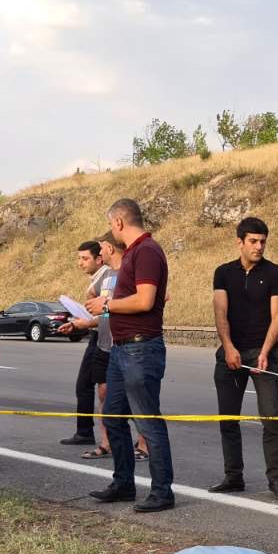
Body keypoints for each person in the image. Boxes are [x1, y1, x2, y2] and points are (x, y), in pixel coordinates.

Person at [86, 199, 174, 512]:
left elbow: (145, 300)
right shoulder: (135, 253)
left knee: (147, 421)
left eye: (111, 224)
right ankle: (123, 483)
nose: (111, 231)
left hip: (140, 349)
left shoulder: (146, 251)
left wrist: (107, 305)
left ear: (119, 222)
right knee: (113, 415)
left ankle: (162, 491)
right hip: (122, 349)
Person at [209, 216, 278, 500]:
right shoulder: (223, 273)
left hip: (262, 352)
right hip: (230, 352)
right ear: (239, 242)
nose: (259, 247)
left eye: (263, 242)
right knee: (228, 418)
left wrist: (265, 352)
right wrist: (228, 347)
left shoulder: (275, 273)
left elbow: (277, 317)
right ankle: (233, 477)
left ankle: (276, 479)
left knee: (272, 416)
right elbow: (220, 313)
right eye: (253, 241)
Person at [60, 240, 113, 447]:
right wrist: (77, 324)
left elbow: (107, 313)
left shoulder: (108, 277)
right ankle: (86, 432)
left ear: (99, 259)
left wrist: (85, 323)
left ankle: (101, 436)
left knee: (108, 391)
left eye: (85, 258)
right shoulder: (98, 278)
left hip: (106, 339)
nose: (80, 263)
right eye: (79, 258)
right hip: (97, 335)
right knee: (86, 386)